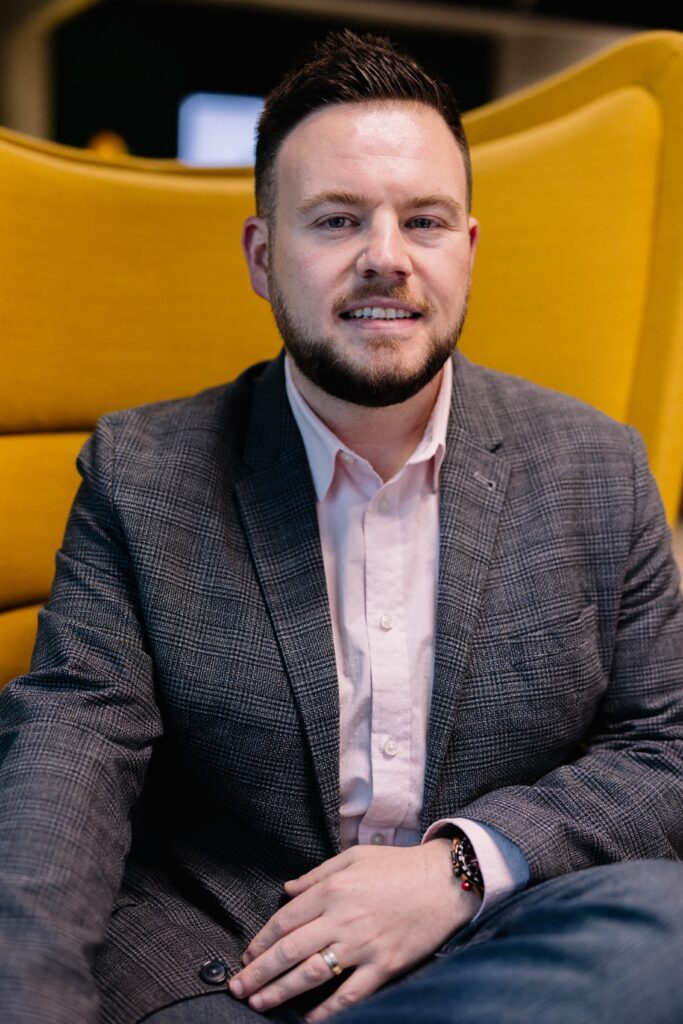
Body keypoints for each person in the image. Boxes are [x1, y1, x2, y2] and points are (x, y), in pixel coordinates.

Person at [1, 28, 682, 1024]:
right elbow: (69, 756)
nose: (385, 258)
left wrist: (457, 867)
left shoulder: (596, 467)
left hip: (493, 938)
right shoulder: (141, 473)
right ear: (261, 255)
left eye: (423, 221)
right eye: (336, 220)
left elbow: (666, 749)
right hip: (231, 961)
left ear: (466, 250)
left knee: (667, 926)